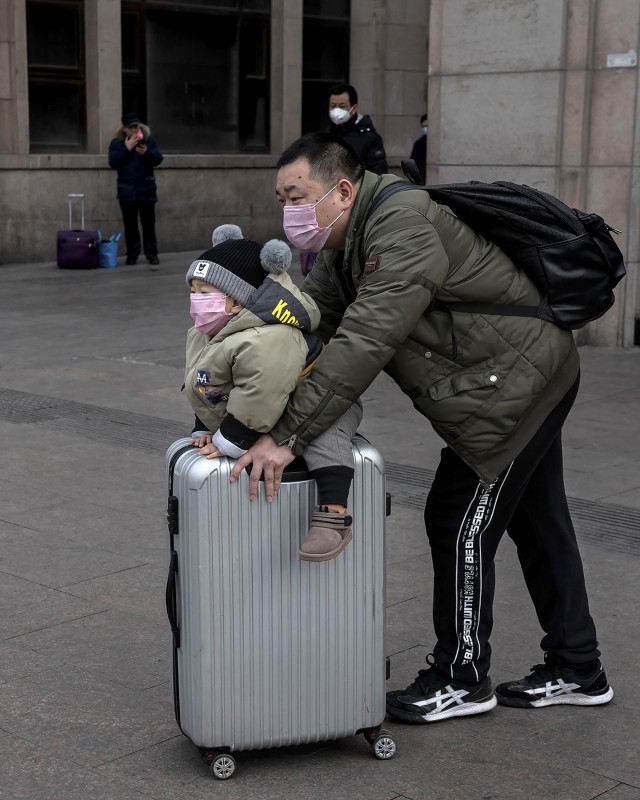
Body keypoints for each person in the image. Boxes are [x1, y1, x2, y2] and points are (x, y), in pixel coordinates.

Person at [229, 131, 614, 721]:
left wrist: (287, 436)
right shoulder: (344, 243)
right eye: (281, 200)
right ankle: (578, 666)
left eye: (297, 197)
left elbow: (365, 340)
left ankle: (462, 677)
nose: (289, 213)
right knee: (539, 523)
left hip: (517, 385)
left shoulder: (403, 228)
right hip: (518, 375)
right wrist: (240, 407)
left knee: (458, 522)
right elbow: (316, 328)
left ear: (342, 191)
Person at [184, 223, 362, 562]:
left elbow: (260, 395)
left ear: (237, 300)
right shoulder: (206, 333)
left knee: (326, 437)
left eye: (205, 292)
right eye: (193, 290)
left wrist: (231, 438)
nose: (196, 301)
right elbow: (207, 383)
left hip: (319, 402)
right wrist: (205, 426)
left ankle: (333, 513)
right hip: (268, 408)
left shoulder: (269, 337)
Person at [299, 83, 389, 279]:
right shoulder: (327, 136)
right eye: (333, 106)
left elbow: (377, 175)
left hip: (355, 211)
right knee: (323, 267)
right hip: (326, 210)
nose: (336, 111)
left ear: (353, 108)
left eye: (342, 105)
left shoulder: (369, 138)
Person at [108, 112, 163, 267]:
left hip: (146, 189)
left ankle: (152, 254)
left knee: (148, 225)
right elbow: (113, 162)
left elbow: (158, 159)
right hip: (127, 191)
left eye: (135, 127)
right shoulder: (117, 143)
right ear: (124, 129)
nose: (134, 130)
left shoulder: (148, 140)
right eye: (130, 127)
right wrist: (127, 149)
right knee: (130, 225)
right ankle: (132, 254)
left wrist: (146, 152)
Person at [409, 114, 428, 183]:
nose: (425, 129)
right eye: (423, 126)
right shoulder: (418, 144)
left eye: (427, 126)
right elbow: (412, 163)